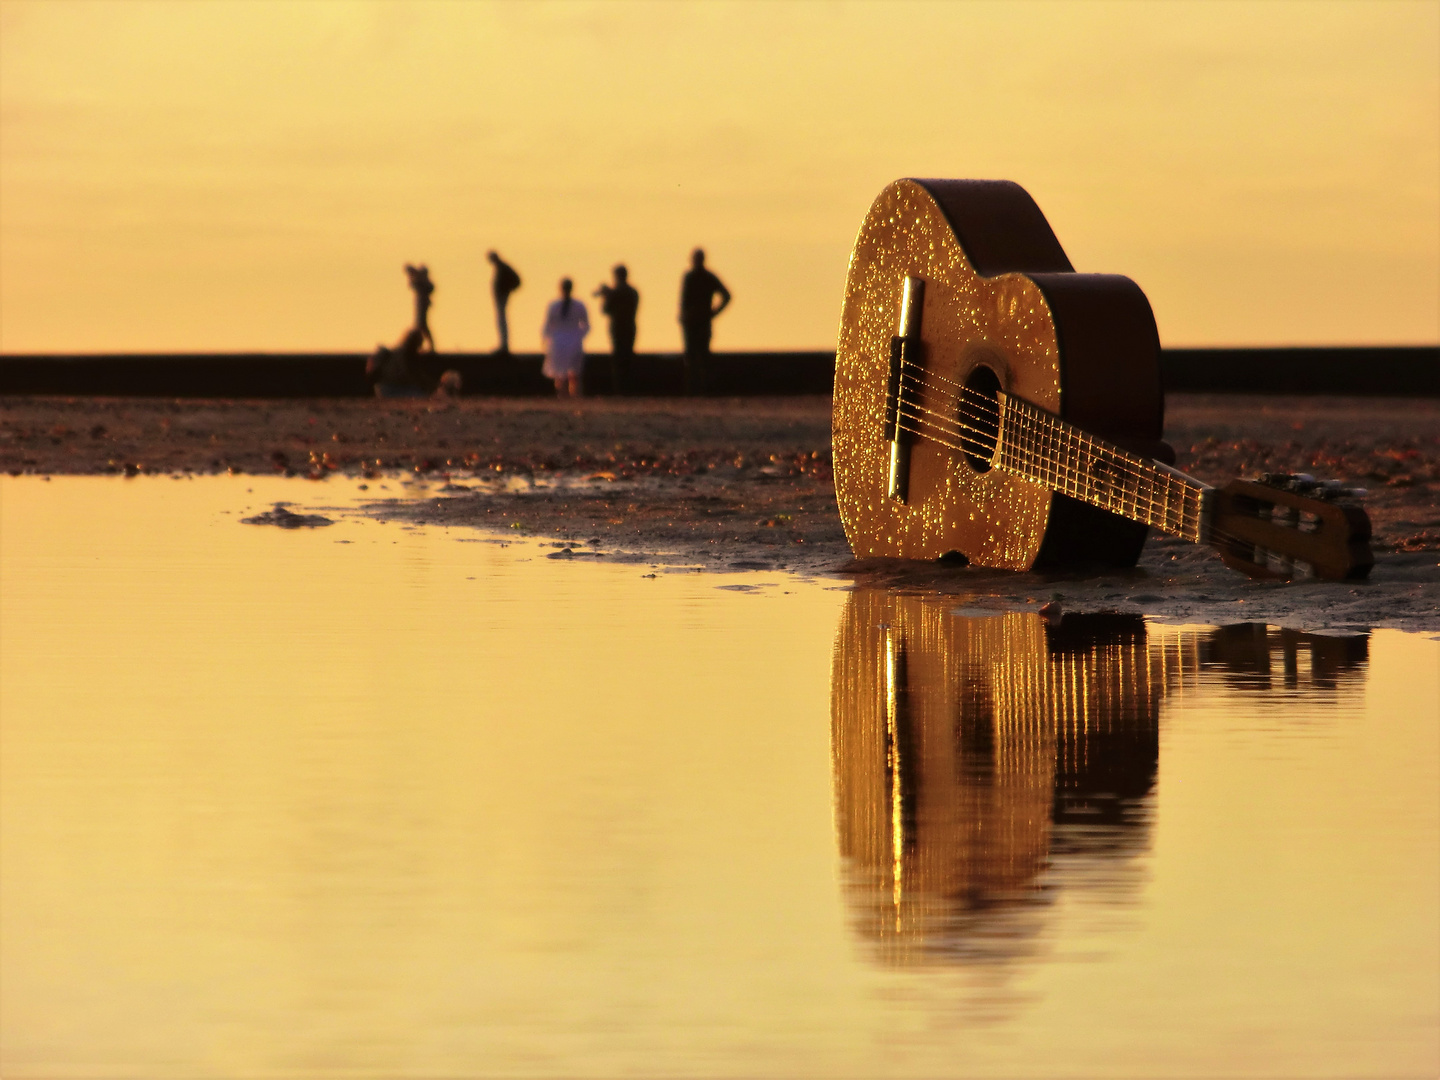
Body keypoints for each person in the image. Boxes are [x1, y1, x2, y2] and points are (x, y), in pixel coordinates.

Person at [679, 248, 730, 395]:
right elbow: (726, 296)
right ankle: (700, 389)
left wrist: (713, 313)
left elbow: (684, 300)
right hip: (698, 321)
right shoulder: (706, 277)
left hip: (695, 321)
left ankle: (696, 389)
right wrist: (713, 313)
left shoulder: (692, 277)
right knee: (700, 356)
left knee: (695, 356)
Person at [541, 278, 590, 398]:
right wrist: (579, 335)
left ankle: (568, 397)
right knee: (565, 373)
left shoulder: (557, 305)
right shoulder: (574, 305)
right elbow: (586, 325)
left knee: (566, 373)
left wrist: (547, 339)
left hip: (563, 340)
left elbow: (547, 326)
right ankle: (568, 397)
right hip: (564, 341)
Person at [595, 264, 639, 394]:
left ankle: (619, 389)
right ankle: (630, 388)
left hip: (617, 328)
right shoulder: (633, 291)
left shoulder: (615, 293)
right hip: (630, 326)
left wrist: (607, 295)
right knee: (628, 355)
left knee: (618, 358)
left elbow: (605, 310)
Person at [488, 251, 522, 354]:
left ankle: (504, 345)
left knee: (502, 320)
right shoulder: (500, 268)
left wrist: (506, 290)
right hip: (500, 297)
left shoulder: (503, 268)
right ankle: (503, 344)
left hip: (502, 297)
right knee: (500, 319)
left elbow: (517, 281)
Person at [405, 264, 435, 351]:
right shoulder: (422, 284)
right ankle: (423, 346)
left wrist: (412, 274)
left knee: (421, 325)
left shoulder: (423, 284)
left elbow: (414, 284)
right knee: (421, 326)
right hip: (420, 305)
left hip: (422, 306)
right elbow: (413, 284)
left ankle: (425, 346)